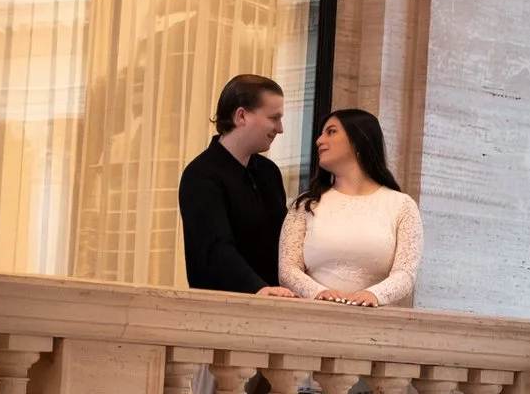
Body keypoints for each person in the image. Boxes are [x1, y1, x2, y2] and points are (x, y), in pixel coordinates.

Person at [279, 107, 422, 307]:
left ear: (359, 139)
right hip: (313, 315)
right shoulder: (306, 204)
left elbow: (406, 273)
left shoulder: (402, 205)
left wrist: (373, 295)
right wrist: (320, 293)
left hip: (375, 322)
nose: (319, 140)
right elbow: (287, 269)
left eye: (331, 132)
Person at [178, 76, 291, 294]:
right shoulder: (201, 176)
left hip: (275, 305)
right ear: (241, 116)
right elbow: (215, 249)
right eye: (274, 118)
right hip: (223, 311)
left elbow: (283, 242)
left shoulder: (269, 173)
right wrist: (259, 288)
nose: (280, 128)